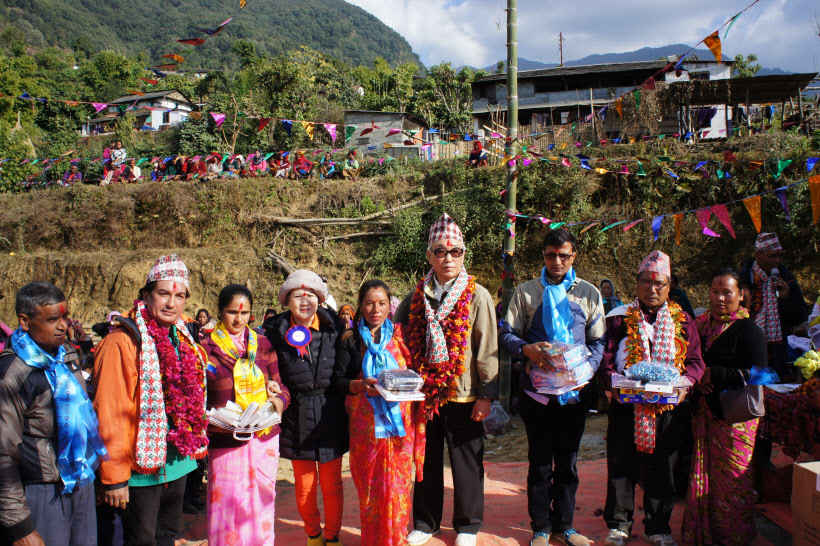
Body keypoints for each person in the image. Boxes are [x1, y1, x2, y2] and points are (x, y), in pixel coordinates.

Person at [393, 213, 499, 546]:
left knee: (467, 461)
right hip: (424, 393)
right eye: (440, 251)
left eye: (455, 252)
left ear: (464, 255)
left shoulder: (477, 294)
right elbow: (396, 338)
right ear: (429, 256)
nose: (448, 258)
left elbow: (488, 347)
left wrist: (487, 394)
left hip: (465, 393)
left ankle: (467, 526)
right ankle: (426, 523)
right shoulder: (415, 297)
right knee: (426, 460)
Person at [93, 254, 209, 546]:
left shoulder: (183, 339)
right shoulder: (123, 341)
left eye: (180, 295)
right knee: (141, 540)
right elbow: (109, 412)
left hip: (177, 462)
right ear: (146, 296)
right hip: (139, 471)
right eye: (163, 294)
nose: (172, 303)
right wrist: (114, 477)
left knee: (168, 536)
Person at [499, 229, 605, 546]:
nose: (556, 261)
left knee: (568, 463)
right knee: (541, 463)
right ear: (543, 255)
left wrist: (588, 369)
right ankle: (541, 528)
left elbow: (598, 342)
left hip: (575, 394)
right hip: (536, 394)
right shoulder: (526, 293)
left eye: (563, 255)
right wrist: (526, 350)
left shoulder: (588, 294)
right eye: (550, 254)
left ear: (574, 256)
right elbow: (507, 335)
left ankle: (566, 526)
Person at [600, 250, 705, 546]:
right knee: (622, 464)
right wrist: (615, 384)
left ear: (669, 287)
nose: (652, 288)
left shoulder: (682, 320)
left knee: (664, 466)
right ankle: (619, 525)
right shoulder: (619, 319)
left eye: (659, 283)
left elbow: (696, 361)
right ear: (636, 284)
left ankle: (658, 526)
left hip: (669, 408)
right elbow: (607, 360)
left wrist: (685, 384)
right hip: (627, 405)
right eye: (646, 282)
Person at [0, 282, 108, 546]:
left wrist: (96, 473)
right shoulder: (13, 373)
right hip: (42, 490)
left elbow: (83, 420)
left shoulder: (67, 355)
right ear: (24, 322)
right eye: (51, 319)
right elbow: (3, 453)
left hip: (80, 480)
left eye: (64, 317)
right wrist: (20, 526)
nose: (63, 326)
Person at [680, 268, 767, 546]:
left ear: (741, 295)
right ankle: (706, 533)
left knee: (733, 479)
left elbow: (760, 373)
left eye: (727, 292)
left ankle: (734, 537)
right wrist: (697, 380)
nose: (720, 298)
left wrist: (713, 374)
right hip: (705, 414)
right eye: (715, 292)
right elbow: (686, 360)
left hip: (735, 419)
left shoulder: (749, 329)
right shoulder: (698, 325)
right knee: (708, 478)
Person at [334, 280, 422, 545]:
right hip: (366, 430)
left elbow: (415, 372)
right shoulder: (350, 340)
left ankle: (396, 538)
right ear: (360, 304)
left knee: (398, 486)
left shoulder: (401, 336)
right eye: (370, 303)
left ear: (390, 306)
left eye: (382, 303)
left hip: (398, 427)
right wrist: (360, 385)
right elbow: (338, 381)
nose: (376, 309)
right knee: (371, 488)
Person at [201, 284, 290, 546]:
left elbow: (283, 388)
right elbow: (199, 398)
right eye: (231, 313)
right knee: (227, 509)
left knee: (260, 508)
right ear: (220, 312)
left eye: (245, 313)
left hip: (263, 440)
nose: (238, 319)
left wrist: (276, 399)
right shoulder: (205, 349)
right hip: (226, 442)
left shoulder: (263, 344)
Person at [264, 270, 347, 546]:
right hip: (295, 417)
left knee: (333, 485)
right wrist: (267, 382)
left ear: (320, 299)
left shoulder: (335, 330)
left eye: (310, 294)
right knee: (305, 486)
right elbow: (262, 367)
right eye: (297, 295)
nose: (304, 300)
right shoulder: (273, 335)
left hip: (330, 414)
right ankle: (313, 534)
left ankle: (333, 536)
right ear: (287, 300)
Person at [739, 232, 808, 375]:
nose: (777, 260)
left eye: (780, 256)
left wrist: (786, 298)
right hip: (746, 346)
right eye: (772, 256)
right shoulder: (742, 280)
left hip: (777, 353)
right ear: (757, 254)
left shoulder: (786, 280)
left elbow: (799, 318)